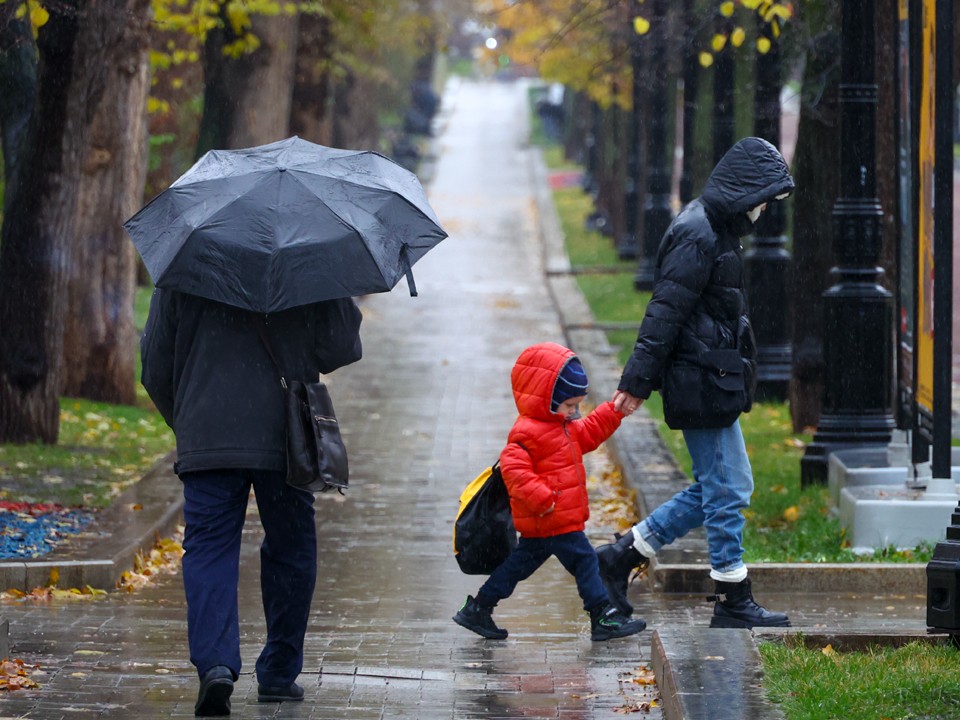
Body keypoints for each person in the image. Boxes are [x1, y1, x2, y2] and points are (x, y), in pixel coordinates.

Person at [596, 137, 793, 629]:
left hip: (711, 376)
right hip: (700, 379)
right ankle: (731, 593)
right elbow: (665, 310)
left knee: (724, 486)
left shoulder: (716, 229)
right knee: (727, 489)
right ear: (745, 189)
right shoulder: (699, 233)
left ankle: (622, 556)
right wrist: (637, 381)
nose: (765, 208)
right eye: (763, 197)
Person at [140, 289, 362, 717]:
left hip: (208, 435)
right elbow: (341, 346)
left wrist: (187, 422)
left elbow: (154, 364)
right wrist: (336, 294)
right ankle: (279, 672)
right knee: (291, 547)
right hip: (284, 435)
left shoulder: (189, 264)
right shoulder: (308, 261)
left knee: (208, 548)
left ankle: (216, 664)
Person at [453, 342, 646, 641]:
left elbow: (591, 430)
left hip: (549, 521)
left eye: (577, 405)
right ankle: (602, 615)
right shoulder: (527, 432)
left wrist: (614, 411)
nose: (574, 412)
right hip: (552, 516)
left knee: (518, 566)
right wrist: (545, 498)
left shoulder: (563, 426)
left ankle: (479, 607)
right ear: (545, 399)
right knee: (585, 561)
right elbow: (514, 469)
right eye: (569, 405)